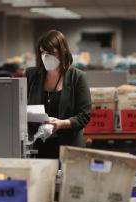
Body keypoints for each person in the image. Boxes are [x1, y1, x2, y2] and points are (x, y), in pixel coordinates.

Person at [25, 30, 91, 159]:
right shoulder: (31, 75)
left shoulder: (77, 77)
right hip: (38, 145)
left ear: (63, 52)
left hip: (68, 146)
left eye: (51, 53)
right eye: (43, 52)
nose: (46, 57)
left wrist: (62, 123)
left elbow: (84, 115)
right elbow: (19, 108)